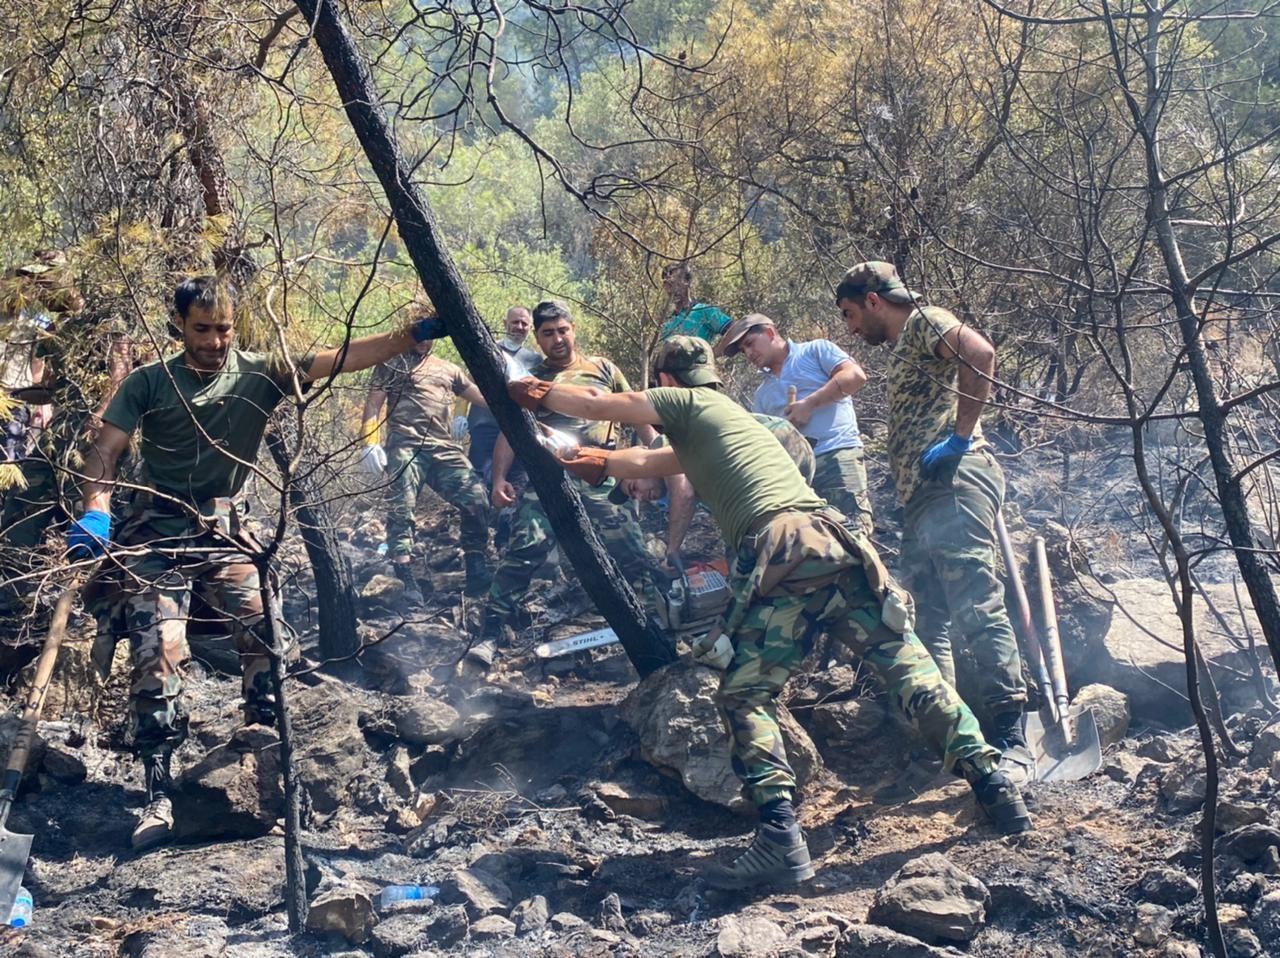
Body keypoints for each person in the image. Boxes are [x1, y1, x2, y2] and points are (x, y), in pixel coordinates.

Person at [507, 335, 1033, 890]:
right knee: (909, 669)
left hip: (786, 553)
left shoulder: (690, 404)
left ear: (665, 383)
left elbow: (594, 405)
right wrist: (589, 460)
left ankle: (780, 838)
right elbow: (638, 459)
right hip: (838, 547)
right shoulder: (728, 427)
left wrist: (533, 392)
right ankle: (994, 784)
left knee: (743, 694)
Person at [69, 276, 447, 851]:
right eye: (202, 329)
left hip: (226, 532)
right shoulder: (150, 382)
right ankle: (158, 787)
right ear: (179, 325)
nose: (215, 341)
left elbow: (342, 358)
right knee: (159, 649)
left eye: (223, 329)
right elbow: (105, 450)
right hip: (157, 530)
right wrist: (96, 509)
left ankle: (268, 754)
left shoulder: (260, 370)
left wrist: (407, 336)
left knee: (268, 633)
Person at [834, 260, 1031, 787]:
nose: (852, 329)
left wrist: (961, 439)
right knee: (927, 618)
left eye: (852, 314)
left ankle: (1014, 737)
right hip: (924, 499)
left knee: (975, 601)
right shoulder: (908, 343)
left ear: (873, 299)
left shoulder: (924, 319)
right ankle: (954, 739)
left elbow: (981, 353)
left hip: (955, 483)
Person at [472, 300, 659, 669]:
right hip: (549, 480)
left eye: (562, 330)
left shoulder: (603, 368)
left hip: (604, 474)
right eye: (548, 334)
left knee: (633, 551)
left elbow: (638, 412)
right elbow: (510, 433)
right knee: (524, 552)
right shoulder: (532, 379)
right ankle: (489, 635)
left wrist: (654, 462)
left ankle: (654, 624)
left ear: (573, 329)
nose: (557, 339)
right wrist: (498, 479)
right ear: (538, 339)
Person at [360, 330, 493, 603]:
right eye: (418, 334)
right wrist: (370, 440)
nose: (423, 340)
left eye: (429, 335)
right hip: (405, 445)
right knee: (401, 505)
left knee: (477, 497)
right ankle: (403, 573)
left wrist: (519, 400)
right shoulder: (391, 363)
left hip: (443, 448)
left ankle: (477, 567)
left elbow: (481, 397)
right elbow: (374, 404)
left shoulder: (449, 369)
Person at [721, 313, 875, 535]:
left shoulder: (816, 350)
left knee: (854, 534)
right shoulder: (762, 395)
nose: (748, 353)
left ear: (770, 333)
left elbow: (856, 376)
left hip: (835, 457)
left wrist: (809, 404)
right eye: (743, 351)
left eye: (749, 344)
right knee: (814, 545)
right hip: (796, 478)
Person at [466, 306, 540, 483]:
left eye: (524, 323)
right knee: (481, 480)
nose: (519, 327)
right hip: (484, 428)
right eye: (515, 322)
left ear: (530, 328)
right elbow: (467, 384)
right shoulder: (488, 349)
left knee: (514, 480)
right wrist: (459, 415)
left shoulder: (535, 359)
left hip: (517, 429)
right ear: (505, 323)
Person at [659, 262, 733, 349]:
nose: (674, 289)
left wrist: (713, 353)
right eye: (669, 285)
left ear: (688, 282)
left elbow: (733, 330)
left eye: (678, 283)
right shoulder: (666, 323)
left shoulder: (704, 311)